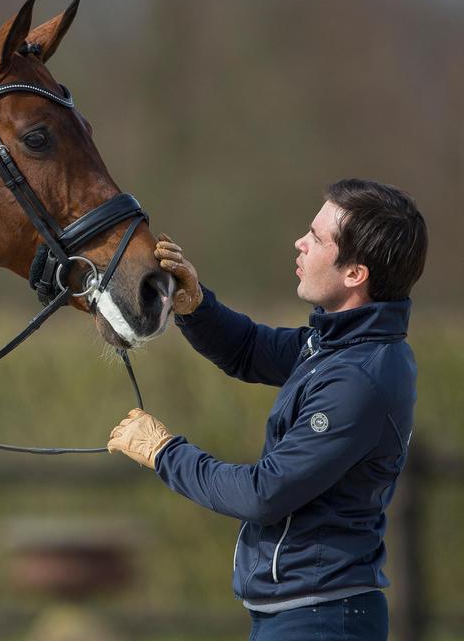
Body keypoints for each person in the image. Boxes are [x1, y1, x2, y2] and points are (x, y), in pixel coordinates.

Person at [107, 178, 427, 640]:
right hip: (298, 615)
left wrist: (164, 451)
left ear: (355, 273)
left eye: (316, 238)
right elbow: (250, 349)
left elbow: (264, 493)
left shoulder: (359, 379)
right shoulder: (338, 347)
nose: (299, 243)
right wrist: (194, 305)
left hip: (321, 621)